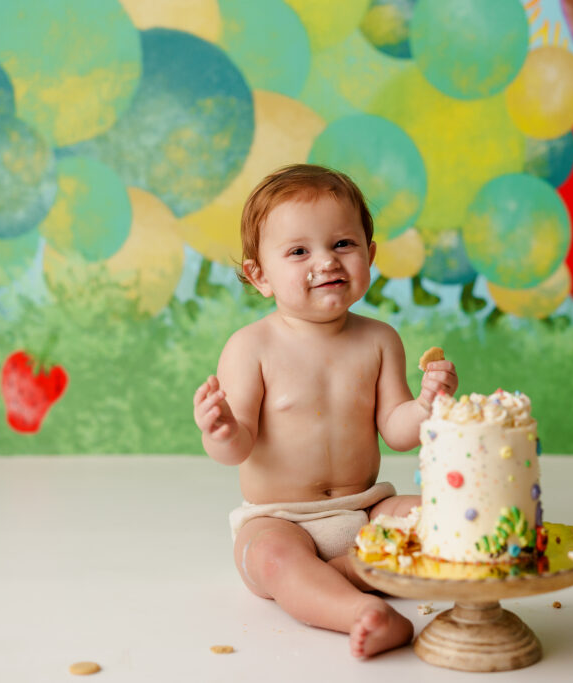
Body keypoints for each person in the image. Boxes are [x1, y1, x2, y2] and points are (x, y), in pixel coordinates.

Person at [192, 164, 458, 658]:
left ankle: (352, 570)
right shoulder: (251, 347)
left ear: (370, 255)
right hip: (280, 519)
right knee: (269, 559)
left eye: (342, 245)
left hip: (365, 508)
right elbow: (236, 448)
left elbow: (396, 431)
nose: (326, 262)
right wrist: (222, 428)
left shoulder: (379, 340)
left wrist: (426, 407)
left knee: (444, 518)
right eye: (298, 251)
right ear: (260, 275)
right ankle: (363, 613)